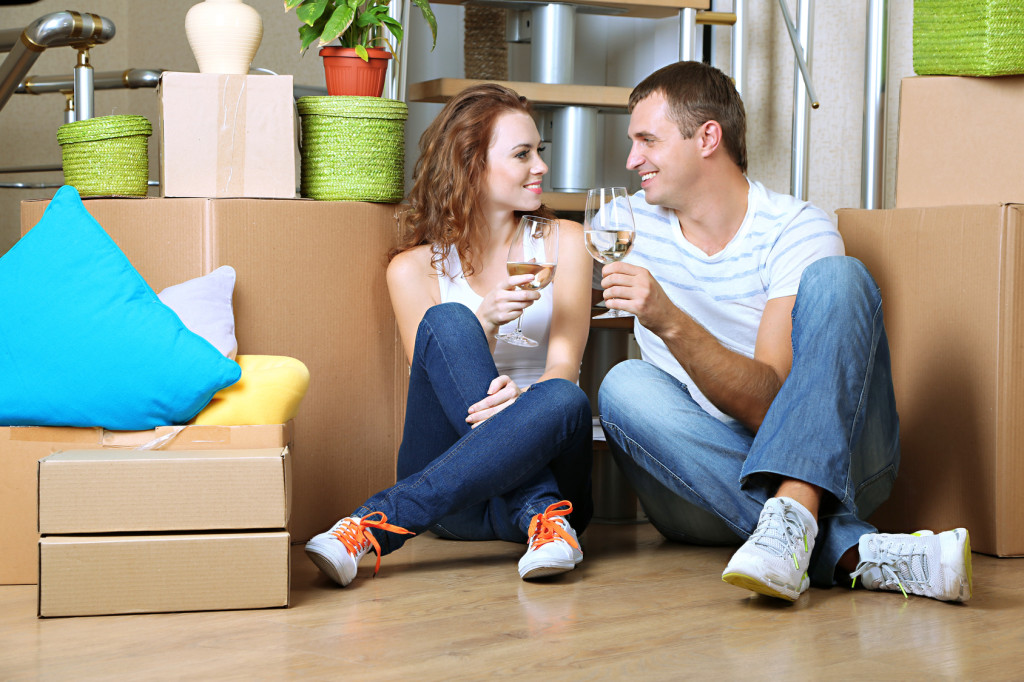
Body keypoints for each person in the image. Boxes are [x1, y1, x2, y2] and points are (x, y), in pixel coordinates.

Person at [597, 61, 971, 603]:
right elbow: (535, 242)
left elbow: (771, 405)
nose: (632, 160)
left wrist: (669, 320)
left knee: (840, 278)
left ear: (707, 137)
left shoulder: (796, 230)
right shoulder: (624, 224)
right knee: (624, 385)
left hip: (839, 471)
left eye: (647, 141)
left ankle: (797, 516)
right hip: (700, 482)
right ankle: (856, 553)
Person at [305, 83, 594, 587]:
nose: (541, 167)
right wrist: (484, 320)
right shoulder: (412, 270)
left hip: (548, 475)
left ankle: (373, 525)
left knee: (564, 398)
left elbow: (564, 366)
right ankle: (541, 514)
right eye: (522, 154)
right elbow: (434, 385)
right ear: (472, 165)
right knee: (450, 321)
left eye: (539, 153)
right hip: (455, 503)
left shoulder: (566, 243)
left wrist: (523, 402)